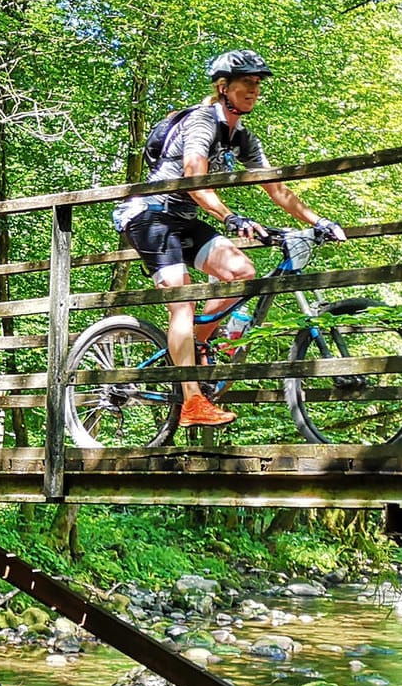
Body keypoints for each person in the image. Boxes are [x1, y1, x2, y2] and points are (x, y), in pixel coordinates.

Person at [115, 48, 348, 428]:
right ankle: (191, 401)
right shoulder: (202, 124)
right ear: (224, 87)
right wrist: (229, 216)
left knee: (242, 270)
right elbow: (193, 177)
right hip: (149, 214)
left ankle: (197, 344)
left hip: (184, 218)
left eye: (258, 84)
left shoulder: (242, 138)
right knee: (183, 298)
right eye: (247, 83)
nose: (254, 90)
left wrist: (318, 220)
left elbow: (275, 187)